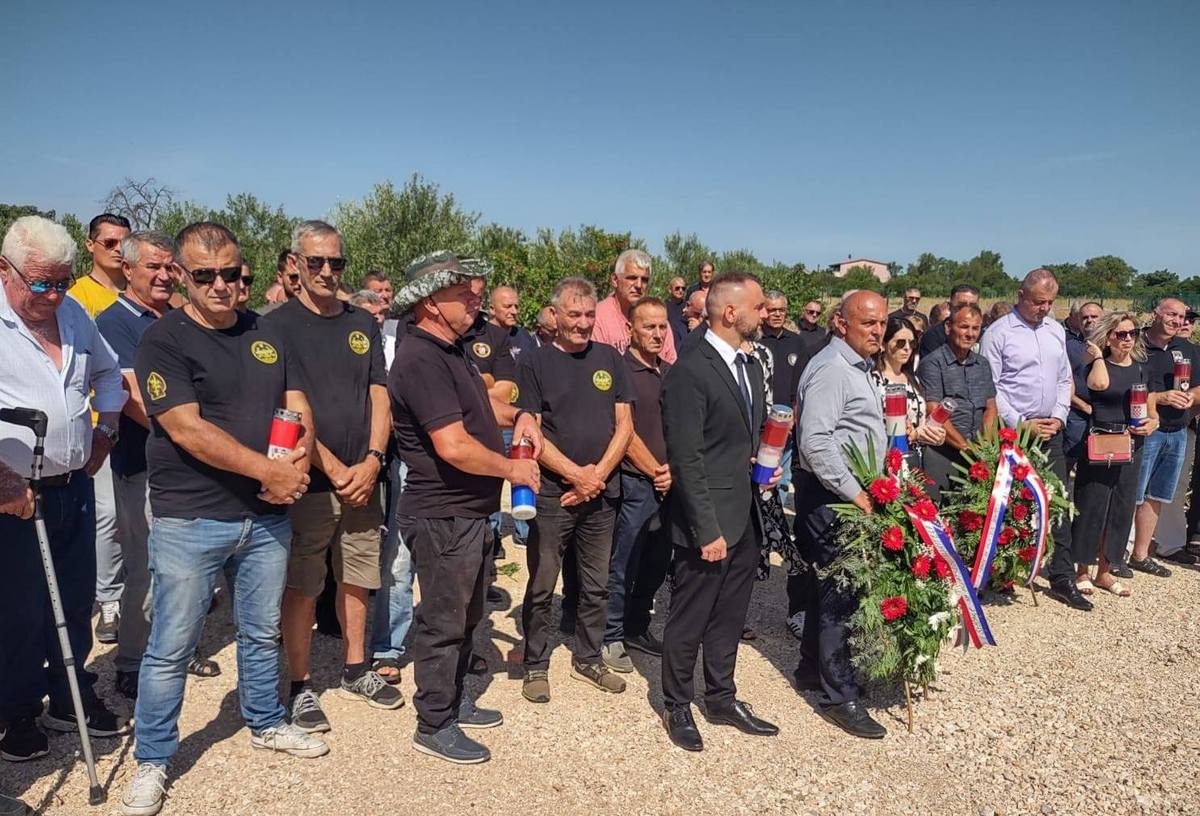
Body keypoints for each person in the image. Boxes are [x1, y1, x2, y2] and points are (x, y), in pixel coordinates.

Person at [124, 222, 326, 816]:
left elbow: (297, 403)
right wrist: (269, 471)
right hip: (191, 518)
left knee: (260, 632)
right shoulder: (164, 339)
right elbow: (186, 428)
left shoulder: (265, 331)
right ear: (180, 275)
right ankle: (153, 759)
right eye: (205, 274)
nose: (220, 285)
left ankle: (265, 720)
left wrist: (299, 456)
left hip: (265, 518)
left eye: (231, 273)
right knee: (172, 646)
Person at [388, 250, 541, 763]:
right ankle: (434, 723)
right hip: (443, 514)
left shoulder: (451, 350)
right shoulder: (420, 358)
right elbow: (452, 446)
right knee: (443, 621)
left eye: (476, 293)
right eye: (463, 294)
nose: (476, 301)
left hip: (468, 513)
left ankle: (453, 701)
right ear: (431, 302)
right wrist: (512, 471)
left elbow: (481, 403)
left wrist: (518, 414)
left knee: (469, 613)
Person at [0, 216, 130, 764]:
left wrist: (106, 430)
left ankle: (69, 695)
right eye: (41, 283)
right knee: (20, 608)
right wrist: (3, 479)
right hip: (13, 496)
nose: (53, 295)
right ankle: (17, 709)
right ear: (5, 271)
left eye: (62, 281)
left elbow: (109, 374)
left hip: (73, 484)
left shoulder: (73, 312)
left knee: (75, 599)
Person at [266, 220, 402, 735]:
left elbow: (378, 394)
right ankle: (300, 684)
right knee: (303, 584)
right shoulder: (275, 326)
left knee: (358, 576)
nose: (327, 271)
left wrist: (372, 460)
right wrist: (337, 468)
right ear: (295, 264)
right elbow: (285, 409)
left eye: (336, 262)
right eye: (316, 261)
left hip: (363, 478)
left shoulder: (361, 323)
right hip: (310, 482)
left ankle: (355, 667)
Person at [95, 230, 221, 699]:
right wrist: (202, 440)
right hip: (144, 464)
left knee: (187, 566)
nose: (165, 275)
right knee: (146, 567)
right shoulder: (115, 322)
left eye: (170, 267)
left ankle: (178, 650)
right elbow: (134, 399)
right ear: (127, 269)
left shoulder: (177, 318)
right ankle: (132, 660)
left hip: (191, 464)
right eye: (154, 266)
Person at [659, 271, 779, 752]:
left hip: (744, 513)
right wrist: (705, 529)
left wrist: (761, 464)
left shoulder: (748, 366)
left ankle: (721, 697)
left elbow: (733, 439)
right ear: (730, 312)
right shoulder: (691, 370)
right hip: (706, 521)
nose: (765, 313)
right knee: (690, 617)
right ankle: (677, 703)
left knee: (729, 615)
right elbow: (686, 458)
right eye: (758, 306)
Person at [516, 277, 634, 704]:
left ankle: (588, 657)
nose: (583, 323)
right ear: (554, 315)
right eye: (574, 314)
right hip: (553, 495)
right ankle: (535, 663)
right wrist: (574, 475)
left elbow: (625, 426)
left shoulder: (609, 358)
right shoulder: (534, 361)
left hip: (600, 493)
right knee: (542, 583)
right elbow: (530, 432)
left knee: (596, 584)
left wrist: (595, 477)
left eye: (589, 315)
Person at [793, 290, 888, 739]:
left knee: (828, 587)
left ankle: (813, 668)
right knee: (840, 593)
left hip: (850, 493)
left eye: (882, 323)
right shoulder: (832, 369)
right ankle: (839, 695)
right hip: (834, 495)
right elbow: (815, 441)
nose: (878, 331)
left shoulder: (859, 367)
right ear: (841, 323)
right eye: (868, 323)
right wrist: (856, 493)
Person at [980, 269, 1082, 609]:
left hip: (1051, 431)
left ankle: (1062, 576)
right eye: (1039, 302)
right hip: (1015, 434)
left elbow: (1064, 379)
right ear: (1021, 295)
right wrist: (1022, 424)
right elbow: (991, 387)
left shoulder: (1055, 330)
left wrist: (1059, 415)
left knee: (1059, 502)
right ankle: (1004, 573)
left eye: (1050, 302)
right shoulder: (998, 333)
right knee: (1010, 504)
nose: (1045, 309)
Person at [68, 212, 132, 645]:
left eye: (123, 242)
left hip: (141, 422)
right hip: (100, 425)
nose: (117, 250)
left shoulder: (138, 289)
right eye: (108, 242)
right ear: (90, 245)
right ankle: (109, 600)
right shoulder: (77, 298)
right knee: (107, 516)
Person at [600, 297, 673, 673]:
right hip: (635, 483)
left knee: (657, 563)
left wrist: (672, 471)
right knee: (623, 562)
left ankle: (637, 626)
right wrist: (657, 471)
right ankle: (611, 635)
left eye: (662, 326)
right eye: (649, 326)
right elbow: (623, 433)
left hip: (668, 484)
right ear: (630, 329)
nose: (657, 333)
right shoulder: (620, 371)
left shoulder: (671, 372)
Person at [1071, 312, 1159, 598]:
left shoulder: (1142, 369)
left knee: (1121, 507)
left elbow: (1151, 407)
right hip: (1101, 441)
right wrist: (1098, 357)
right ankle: (1082, 569)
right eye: (1121, 334)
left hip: (1132, 442)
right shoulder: (1096, 366)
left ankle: (1106, 571)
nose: (1128, 339)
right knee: (1092, 504)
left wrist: (1152, 423)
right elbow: (1098, 386)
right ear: (1108, 337)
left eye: (1132, 333)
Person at [1128, 298, 1200, 578]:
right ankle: (1116, 552)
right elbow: (1125, 384)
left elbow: (1198, 387)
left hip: (1177, 430)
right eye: (1171, 314)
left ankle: (1141, 555)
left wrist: (1189, 397)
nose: (1177, 321)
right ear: (1155, 314)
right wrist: (1160, 397)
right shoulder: (1136, 343)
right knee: (1132, 493)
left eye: (1181, 317)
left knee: (1156, 495)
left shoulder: (1186, 348)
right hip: (1145, 430)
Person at [916, 303, 997, 499]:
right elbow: (934, 411)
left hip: (978, 455)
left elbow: (990, 407)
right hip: (943, 454)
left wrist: (984, 446)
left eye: (975, 328)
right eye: (964, 327)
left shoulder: (982, 364)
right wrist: (966, 448)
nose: (970, 334)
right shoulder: (933, 363)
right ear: (948, 327)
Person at [871, 316, 945, 468]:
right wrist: (914, 434)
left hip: (917, 461)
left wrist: (933, 434)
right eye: (900, 343)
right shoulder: (874, 380)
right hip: (887, 461)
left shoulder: (913, 379)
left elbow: (920, 422)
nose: (907, 348)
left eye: (912, 343)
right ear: (883, 344)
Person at [758, 291, 811, 494]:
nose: (778, 314)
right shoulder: (756, 340)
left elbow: (802, 383)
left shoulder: (797, 342)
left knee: (783, 475)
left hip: (787, 420)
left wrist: (795, 416)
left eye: (781, 310)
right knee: (762, 473)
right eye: (772, 310)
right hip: (762, 420)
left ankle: (777, 510)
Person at [593, 249, 678, 364]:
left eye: (644, 280)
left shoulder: (658, 319)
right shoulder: (597, 318)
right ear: (615, 280)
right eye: (632, 278)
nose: (638, 285)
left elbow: (671, 365)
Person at [1064, 301, 1106, 461]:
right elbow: (1063, 385)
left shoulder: (1114, 346)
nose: (1089, 320)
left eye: (1094, 316)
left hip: (1107, 416)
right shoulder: (1069, 347)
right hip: (1078, 416)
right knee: (1071, 460)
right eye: (1085, 317)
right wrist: (1085, 407)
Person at [919, 284, 979, 357]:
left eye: (973, 307)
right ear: (950, 307)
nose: (967, 311)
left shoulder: (982, 335)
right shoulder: (933, 337)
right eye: (961, 306)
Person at [489, 285, 537, 363]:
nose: (514, 312)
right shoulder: (481, 337)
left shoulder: (524, 336)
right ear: (492, 309)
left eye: (516, 307)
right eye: (508, 306)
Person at [258, 249, 301, 315]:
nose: (300, 282)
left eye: (303, 277)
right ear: (280, 277)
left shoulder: (316, 311)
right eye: (293, 277)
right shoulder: (265, 316)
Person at [665, 276, 688, 345]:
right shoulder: (663, 307)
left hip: (685, 345)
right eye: (677, 288)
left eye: (683, 288)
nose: (680, 291)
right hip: (669, 343)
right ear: (670, 290)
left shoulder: (688, 306)